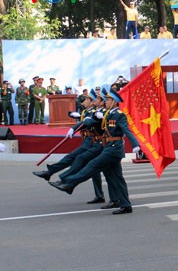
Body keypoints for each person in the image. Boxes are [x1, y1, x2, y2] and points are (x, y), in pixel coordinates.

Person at [48, 87, 141, 215]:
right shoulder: (108, 114)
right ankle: (126, 205)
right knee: (117, 179)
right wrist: (82, 121)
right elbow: (92, 121)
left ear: (114, 101)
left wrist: (136, 145)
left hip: (114, 149)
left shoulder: (119, 115)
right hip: (109, 147)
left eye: (108, 100)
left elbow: (127, 130)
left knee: (92, 165)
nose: (106, 102)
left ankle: (70, 184)